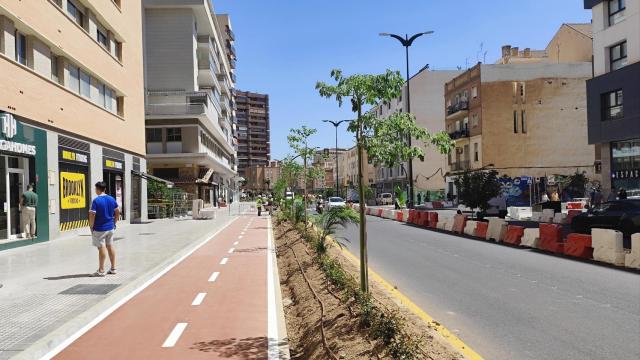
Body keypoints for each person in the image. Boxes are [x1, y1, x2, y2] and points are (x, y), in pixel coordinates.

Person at [89, 181, 120, 277]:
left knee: (101, 248)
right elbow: (117, 211)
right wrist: (114, 223)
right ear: (105, 189)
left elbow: (92, 214)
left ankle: (101, 270)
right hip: (110, 227)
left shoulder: (96, 201)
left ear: (98, 189)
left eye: (95, 189)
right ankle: (113, 268)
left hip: (99, 228)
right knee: (110, 246)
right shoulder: (111, 199)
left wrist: (91, 226)